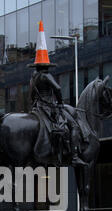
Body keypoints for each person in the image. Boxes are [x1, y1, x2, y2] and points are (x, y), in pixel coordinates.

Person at [28, 20, 86, 168]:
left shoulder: (33, 79)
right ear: (47, 66)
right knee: (73, 125)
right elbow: (58, 89)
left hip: (37, 108)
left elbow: (31, 96)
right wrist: (60, 103)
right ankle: (73, 156)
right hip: (49, 108)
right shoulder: (46, 76)